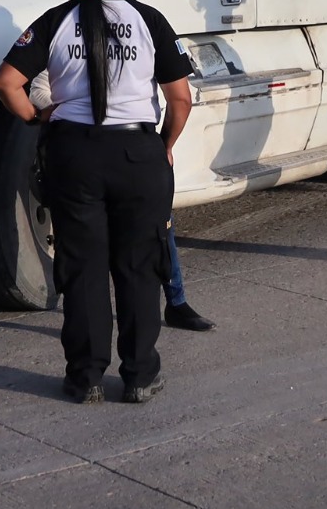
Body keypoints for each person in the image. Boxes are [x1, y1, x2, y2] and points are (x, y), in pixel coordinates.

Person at [0, 0, 194, 403]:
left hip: (74, 156)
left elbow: (7, 83)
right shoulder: (151, 21)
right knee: (137, 268)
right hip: (138, 156)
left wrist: (39, 117)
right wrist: (163, 145)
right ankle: (140, 375)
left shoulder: (54, 21)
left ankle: (85, 377)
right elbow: (180, 98)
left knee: (82, 270)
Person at [29, 68, 214, 333]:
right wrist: (74, 111)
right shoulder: (75, 40)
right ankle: (90, 328)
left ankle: (176, 303)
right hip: (87, 157)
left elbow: (176, 96)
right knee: (89, 248)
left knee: (161, 228)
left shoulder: (134, 44)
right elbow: (37, 88)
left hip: (133, 153)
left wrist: (165, 147)